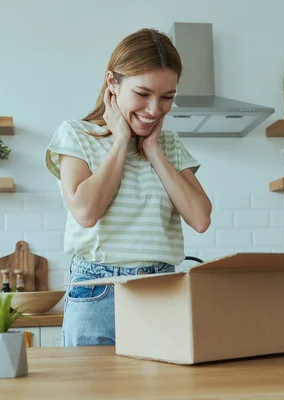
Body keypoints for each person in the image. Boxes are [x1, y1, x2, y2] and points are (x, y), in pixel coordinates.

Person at [45, 27, 212, 347]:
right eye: (143, 93)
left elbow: (201, 218)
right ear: (112, 83)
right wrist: (121, 140)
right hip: (97, 291)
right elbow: (85, 211)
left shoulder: (169, 145)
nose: (154, 110)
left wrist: (153, 151)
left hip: (163, 291)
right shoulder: (76, 135)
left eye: (167, 98)